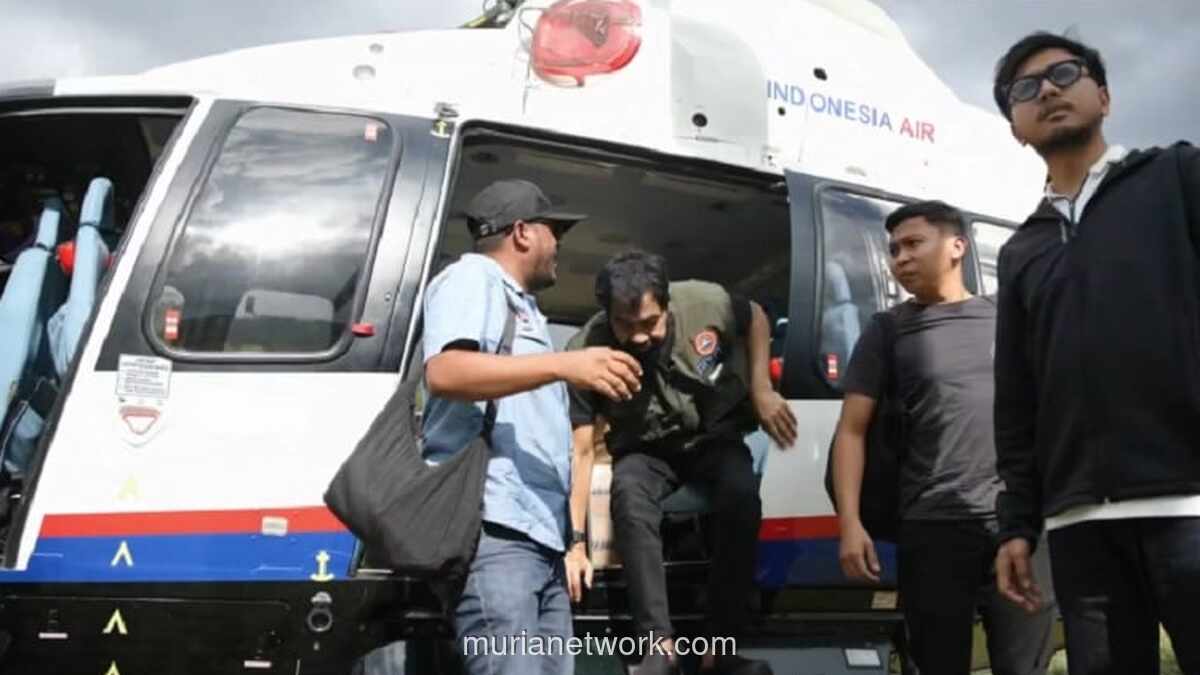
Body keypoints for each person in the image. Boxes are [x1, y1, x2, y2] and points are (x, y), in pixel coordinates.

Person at [990, 32, 1200, 675]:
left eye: (1064, 74)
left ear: (1103, 96)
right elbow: (1018, 398)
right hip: (1079, 526)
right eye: (1025, 89)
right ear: (1018, 130)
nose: (1047, 90)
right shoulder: (1021, 251)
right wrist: (1017, 526)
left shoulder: (1177, 177)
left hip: (1190, 505)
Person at [413, 179, 644, 675]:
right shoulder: (472, 278)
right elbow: (447, 372)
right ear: (522, 233)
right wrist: (566, 365)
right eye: (553, 230)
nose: (559, 244)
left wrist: (570, 541)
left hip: (540, 542)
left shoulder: (524, 309)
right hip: (495, 534)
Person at [832, 201, 1055, 675]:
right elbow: (851, 432)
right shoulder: (886, 331)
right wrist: (850, 524)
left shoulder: (1010, 315)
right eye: (893, 250)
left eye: (913, 243)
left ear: (957, 246)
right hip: (932, 529)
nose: (900, 258)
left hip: (1019, 525)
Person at [566, 250, 797, 675]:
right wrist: (575, 540)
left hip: (712, 437)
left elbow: (757, 317)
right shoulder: (585, 349)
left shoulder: (706, 302)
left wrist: (762, 389)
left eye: (649, 323)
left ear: (668, 305)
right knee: (629, 496)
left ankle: (719, 649)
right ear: (606, 315)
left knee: (741, 495)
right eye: (625, 325)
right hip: (645, 449)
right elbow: (581, 450)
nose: (638, 337)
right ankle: (659, 647)